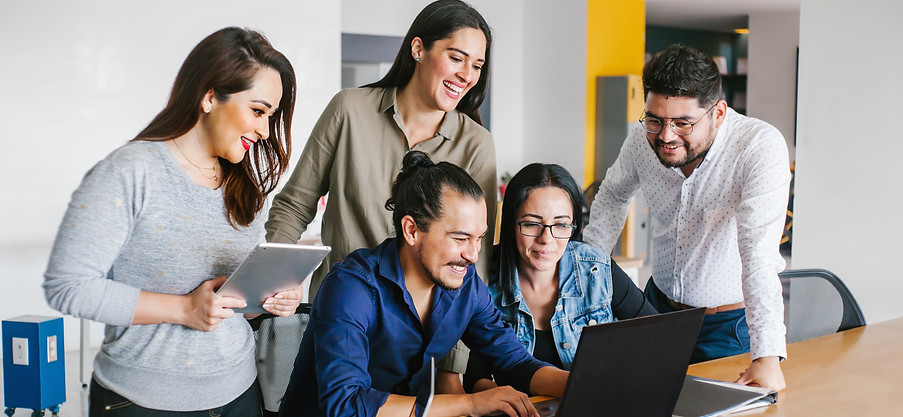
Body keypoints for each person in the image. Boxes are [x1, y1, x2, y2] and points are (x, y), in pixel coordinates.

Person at [43, 27, 301, 416]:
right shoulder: (129, 171)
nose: (266, 131)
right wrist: (183, 309)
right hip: (140, 400)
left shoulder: (243, 182)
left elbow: (233, 300)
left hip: (239, 392)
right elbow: (68, 287)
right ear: (210, 96)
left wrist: (268, 298)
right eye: (258, 111)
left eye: (271, 116)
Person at [278, 151, 568, 417]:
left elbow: (515, 362)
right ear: (411, 230)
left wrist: (586, 384)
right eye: (460, 238)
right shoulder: (351, 288)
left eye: (478, 238)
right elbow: (346, 406)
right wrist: (469, 403)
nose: (473, 255)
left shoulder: (466, 287)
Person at [582, 44, 791, 391]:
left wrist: (767, 357)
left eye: (682, 123)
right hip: (656, 309)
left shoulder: (757, 147)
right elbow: (613, 196)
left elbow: (758, 254)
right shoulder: (641, 140)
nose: (666, 136)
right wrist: (585, 276)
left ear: (719, 113)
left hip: (727, 325)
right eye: (655, 120)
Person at [265, 0, 497, 297]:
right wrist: (281, 278)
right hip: (338, 314)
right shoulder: (348, 110)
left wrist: (454, 344)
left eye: (477, 65)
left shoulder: (477, 144)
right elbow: (294, 206)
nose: (467, 75)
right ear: (418, 49)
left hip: (423, 331)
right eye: (456, 58)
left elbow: (473, 264)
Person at [447, 163, 658, 393]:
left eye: (561, 224)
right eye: (531, 223)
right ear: (511, 223)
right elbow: (475, 377)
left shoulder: (595, 269)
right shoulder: (482, 278)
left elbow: (657, 336)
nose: (546, 239)